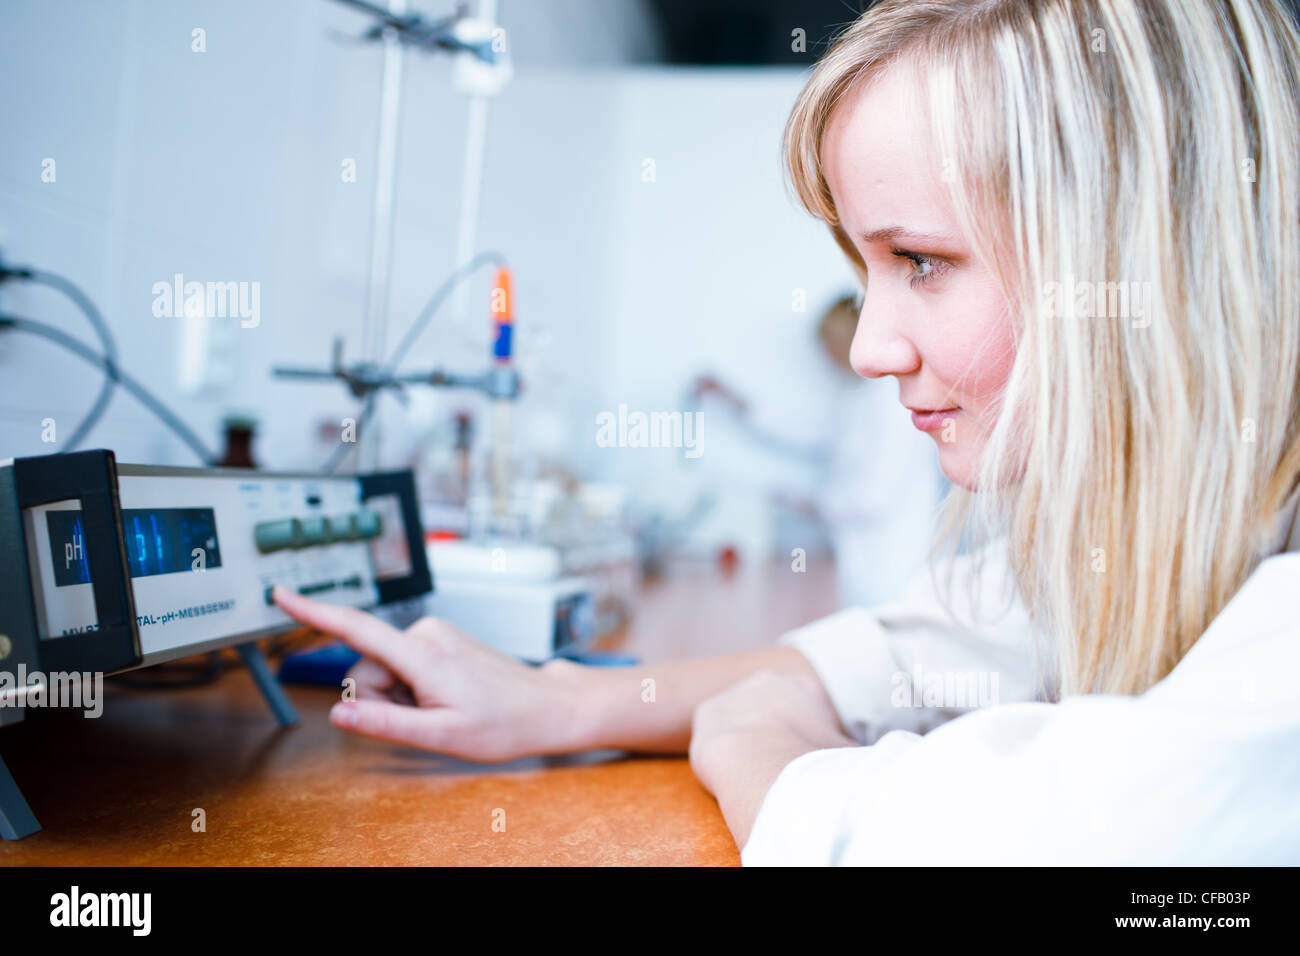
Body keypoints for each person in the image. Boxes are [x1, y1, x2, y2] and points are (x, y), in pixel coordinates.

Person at [274, 0, 1300, 864]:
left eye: (923, 261)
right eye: (869, 270)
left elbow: (1099, 841)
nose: (871, 348)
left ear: (1135, 253)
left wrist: (773, 754)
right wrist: (556, 701)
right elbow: (898, 654)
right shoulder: (1121, 541)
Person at [692, 295, 946, 609]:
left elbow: (872, 495)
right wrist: (734, 399)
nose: (826, 356)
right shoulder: (858, 394)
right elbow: (811, 433)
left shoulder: (893, 400)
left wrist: (809, 503)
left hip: (893, 565)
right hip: (863, 565)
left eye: (831, 345)